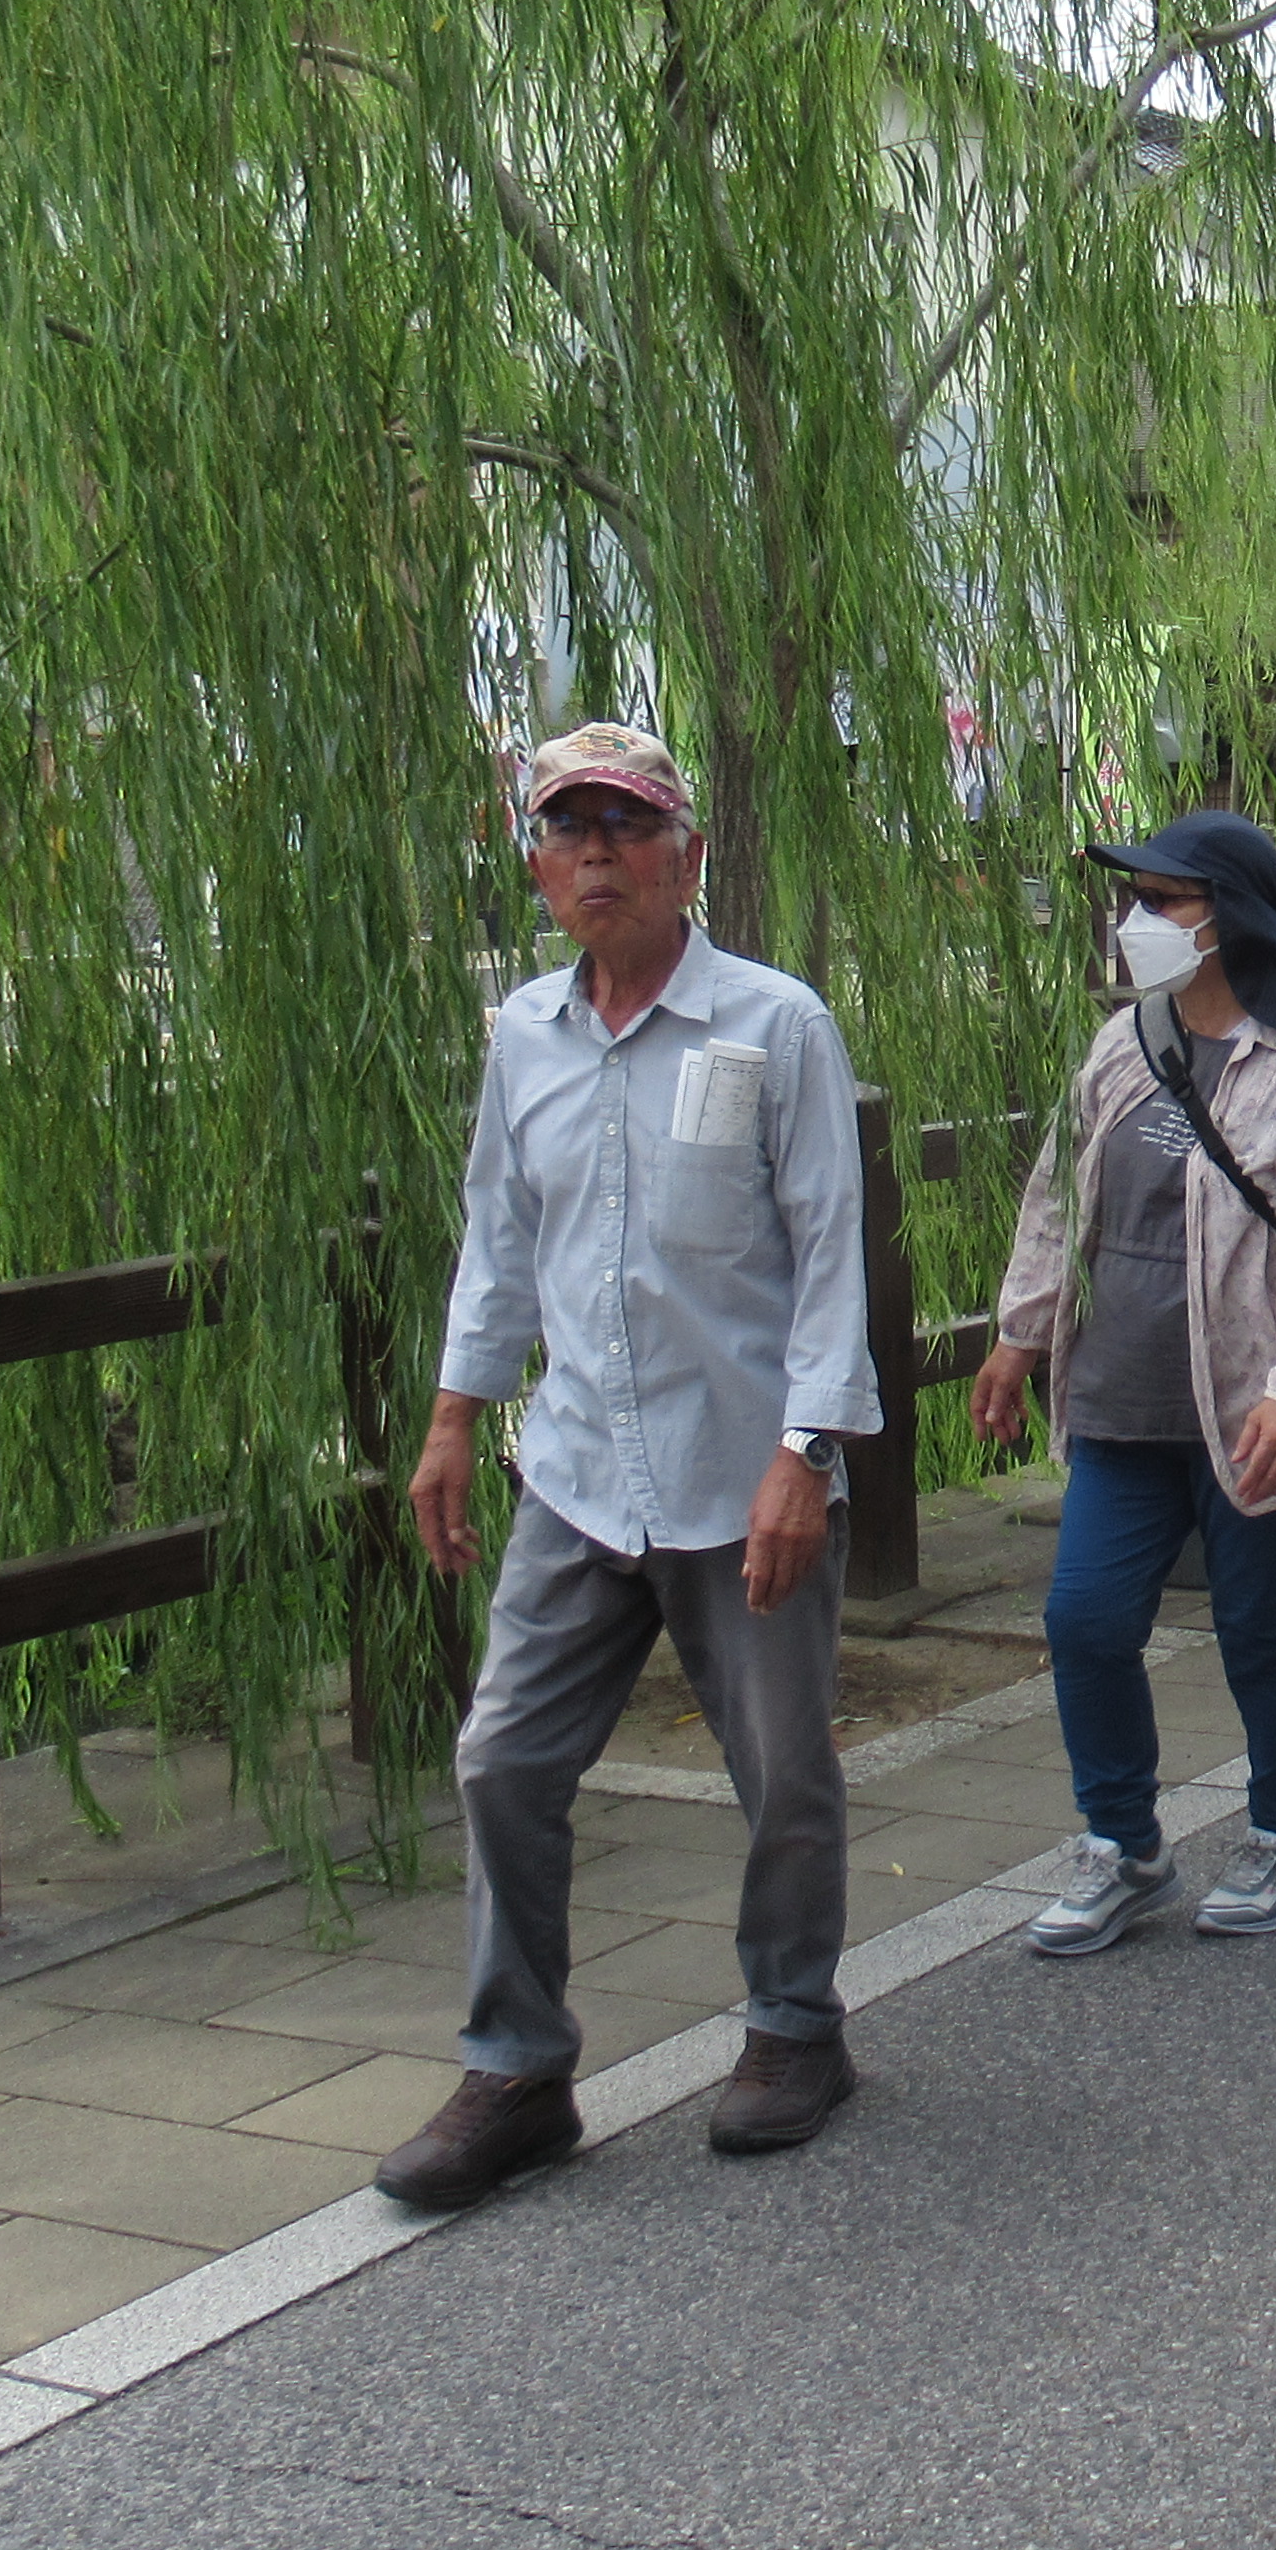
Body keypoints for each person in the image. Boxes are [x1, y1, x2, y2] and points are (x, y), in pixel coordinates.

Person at [388, 723, 882, 2204]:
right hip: (581, 1468)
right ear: (536, 865)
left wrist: (808, 1450)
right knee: (501, 1761)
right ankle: (517, 2063)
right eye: (567, 829)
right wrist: (456, 1414)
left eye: (625, 823)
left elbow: (828, 1258)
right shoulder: (521, 1036)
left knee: (783, 1770)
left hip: (745, 1473)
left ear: (688, 854)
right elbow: (501, 1235)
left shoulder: (772, 1025)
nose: (596, 851)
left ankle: (796, 2023)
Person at [975, 813, 1276, 1952]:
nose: (1139, 925)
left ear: (1231, 917)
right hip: (1121, 1396)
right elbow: (1058, 1194)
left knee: (1261, 1629)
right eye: (1139, 900)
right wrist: (1020, 1335)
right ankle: (1125, 1841)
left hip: (1251, 1403)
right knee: (1087, 1620)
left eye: (1167, 902)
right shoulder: (1127, 1043)